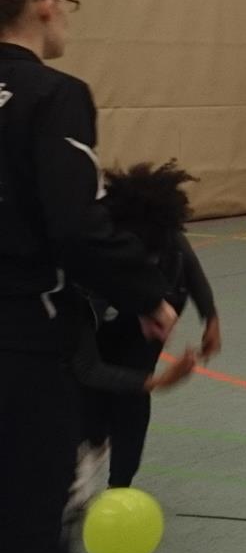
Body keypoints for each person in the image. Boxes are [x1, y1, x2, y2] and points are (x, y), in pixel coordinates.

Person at [0, 0, 177, 553]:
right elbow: (75, 225)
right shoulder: (55, 95)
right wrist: (146, 294)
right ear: (44, 5)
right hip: (21, 337)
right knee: (30, 517)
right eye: (67, 1)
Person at [80, 161, 220, 489]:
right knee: (90, 397)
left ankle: (119, 486)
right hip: (103, 323)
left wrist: (210, 315)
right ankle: (91, 442)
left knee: (131, 402)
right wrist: (157, 381)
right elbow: (87, 368)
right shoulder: (86, 284)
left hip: (149, 314)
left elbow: (189, 264)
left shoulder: (164, 241)